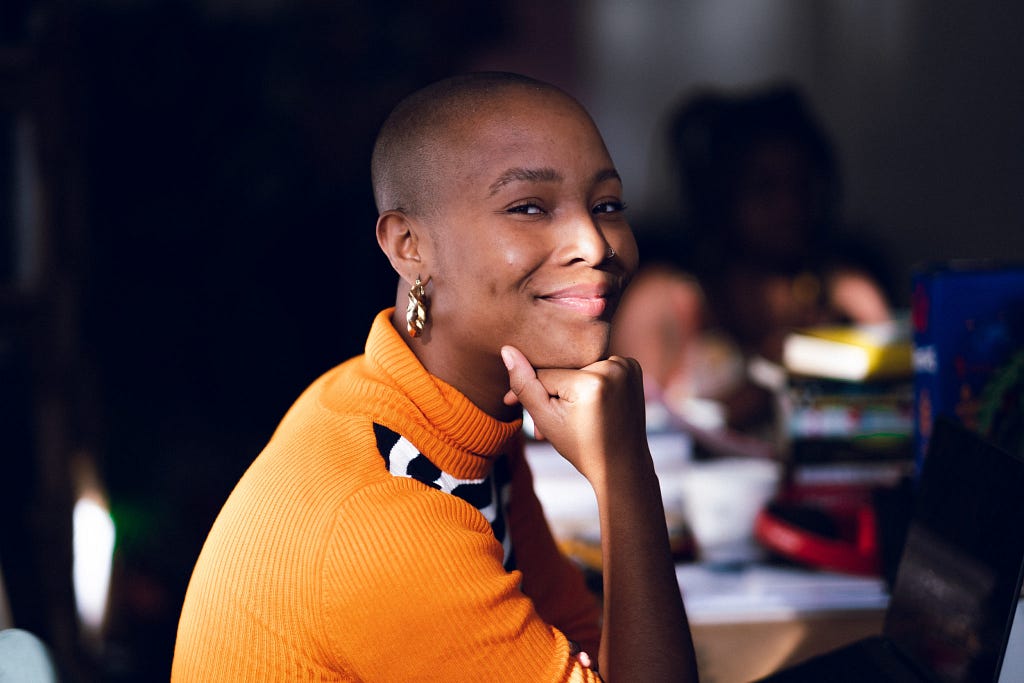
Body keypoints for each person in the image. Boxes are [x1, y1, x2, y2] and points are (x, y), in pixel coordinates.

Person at [172, 72, 698, 682]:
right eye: (529, 208)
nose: (593, 243)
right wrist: (625, 472)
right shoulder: (385, 507)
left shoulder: (453, 417)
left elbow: (580, 638)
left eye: (606, 206)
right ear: (408, 245)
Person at [612, 84, 891, 431]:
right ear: (720, 196)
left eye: (801, 185)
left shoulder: (841, 292)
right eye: (764, 188)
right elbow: (635, 436)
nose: (789, 207)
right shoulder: (664, 301)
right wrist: (765, 382)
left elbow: (894, 408)